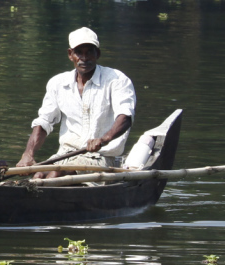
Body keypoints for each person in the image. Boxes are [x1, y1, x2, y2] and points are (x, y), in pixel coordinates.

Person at [16, 26, 137, 175]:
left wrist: (104, 139)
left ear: (97, 53)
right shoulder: (58, 83)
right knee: (39, 175)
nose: (84, 58)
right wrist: (28, 154)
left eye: (89, 52)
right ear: (70, 54)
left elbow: (125, 117)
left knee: (55, 175)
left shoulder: (117, 80)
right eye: (79, 52)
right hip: (65, 155)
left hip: (101, 158)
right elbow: (44, 122)